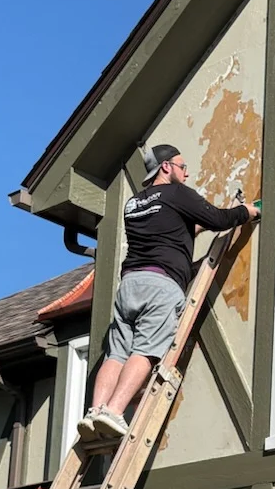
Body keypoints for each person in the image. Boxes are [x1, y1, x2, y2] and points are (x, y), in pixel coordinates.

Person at [77, 143, 259, 444]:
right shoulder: (177, 193)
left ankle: (95, 411)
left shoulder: (134, 203)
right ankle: (115, 410)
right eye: (182, 167)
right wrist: (248, 211)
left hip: (130, 284)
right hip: (160, 285)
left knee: (117, 353)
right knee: (146, 350)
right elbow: (218, 219)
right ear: (166, 167)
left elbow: (166, 229)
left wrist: (194, 228)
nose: (186, 173)